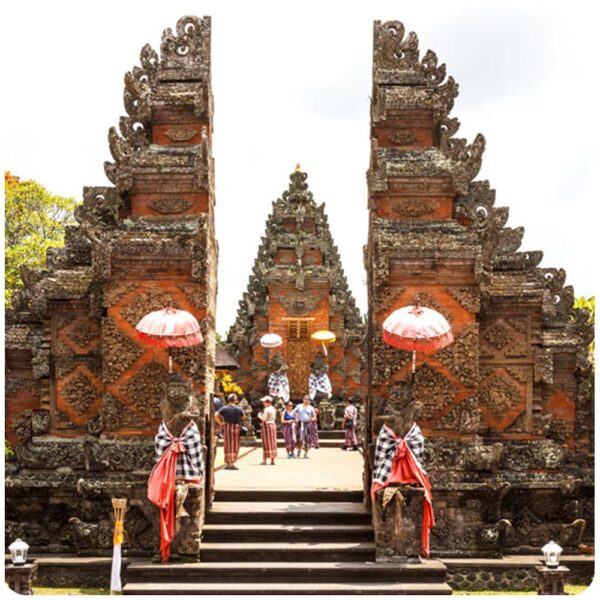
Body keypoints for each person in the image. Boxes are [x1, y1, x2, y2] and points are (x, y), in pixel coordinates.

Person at [214, 393, 245, 470]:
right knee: (235, 445)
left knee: (227, 444)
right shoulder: (239, 409)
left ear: (228, 400)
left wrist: (221, 423)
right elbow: (243, 417)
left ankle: (228, 462)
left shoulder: (224, 408)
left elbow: (216, 415)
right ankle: (232, 462)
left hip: (227, 427)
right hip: (236, 428)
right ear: (236, 400)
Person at [294, 394, 317, 458]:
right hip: (300, 423)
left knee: (307, 438)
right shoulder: (299, 406)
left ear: (309, 401)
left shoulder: (311, 408)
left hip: (307, 424)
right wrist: (296, 418)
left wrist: (312, 419)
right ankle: (298, 451)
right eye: (305, 399)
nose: (306, 401)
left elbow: (314, 416)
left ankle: (306, 453)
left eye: (307, 400)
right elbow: (294, 413)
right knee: (299, 437)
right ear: (303, 400)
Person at [259, 395, 278, 465]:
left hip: (267, 426)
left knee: (266, 442)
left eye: (264, 402)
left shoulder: (266, 409)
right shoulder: (273, 409)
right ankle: (272, 460)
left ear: (268, 402)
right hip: (272, 425)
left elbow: (264, 419)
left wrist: (259, 416)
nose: (263, 403)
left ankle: (264, 460)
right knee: (272, 442)